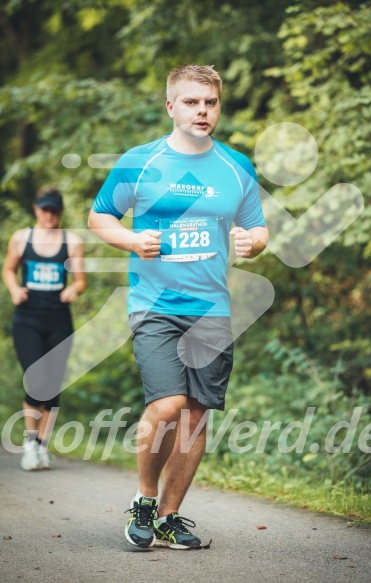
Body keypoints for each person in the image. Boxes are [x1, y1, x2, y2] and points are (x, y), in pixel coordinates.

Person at [88, 64, 269, 550]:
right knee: (167, 404)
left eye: (209, 102)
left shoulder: (236, 167)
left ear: (218, 106)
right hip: (155, 305)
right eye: (191, 101)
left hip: (211, 308)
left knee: (195, 415)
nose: (202, 110)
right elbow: (99, 215)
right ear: (170, 105)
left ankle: (169, 518)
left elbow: (258, 227)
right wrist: (129, 240)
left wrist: (254, 243)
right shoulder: (141, 162)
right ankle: (145, 500)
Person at [2, 187, 86, 471]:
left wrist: (74, 288)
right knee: (35, 379)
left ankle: (41, 445)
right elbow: (8, 269)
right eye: (44, 209)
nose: (49, 215)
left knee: (52, 384)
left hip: (58, 321)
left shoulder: (71, 242)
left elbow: (80, 280)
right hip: (28, 319)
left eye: (53, 210)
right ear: (36, 209)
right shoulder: (21, 239)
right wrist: (14, 289)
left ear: (59, 211)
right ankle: (29, 443)